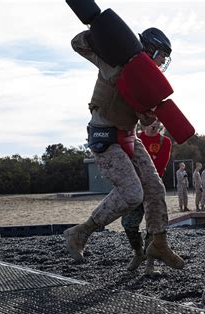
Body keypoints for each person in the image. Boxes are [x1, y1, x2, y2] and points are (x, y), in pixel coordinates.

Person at [63, 27, 184, 271]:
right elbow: (77, 42)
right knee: (131, 193)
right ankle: (80, 232)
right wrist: (107, 37)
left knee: (155, 188)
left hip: (129, 136)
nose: (163, 62)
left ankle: (159, 242)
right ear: (151, 49)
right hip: (105, 134)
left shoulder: (148, 83)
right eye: (162, 55)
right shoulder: (113, 62)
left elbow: (144, 119)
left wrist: (149, 116)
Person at [120, 118, 171, 276]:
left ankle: (150, 264)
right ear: (143, 123)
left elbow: (159, 167)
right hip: (134, 187)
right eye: (151, 121)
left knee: (153, 227)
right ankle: (138, 253)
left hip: (152, 188)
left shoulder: (165, 142)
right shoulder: (135, 138)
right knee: (128, 223)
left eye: (157, 122)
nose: (154, 124)